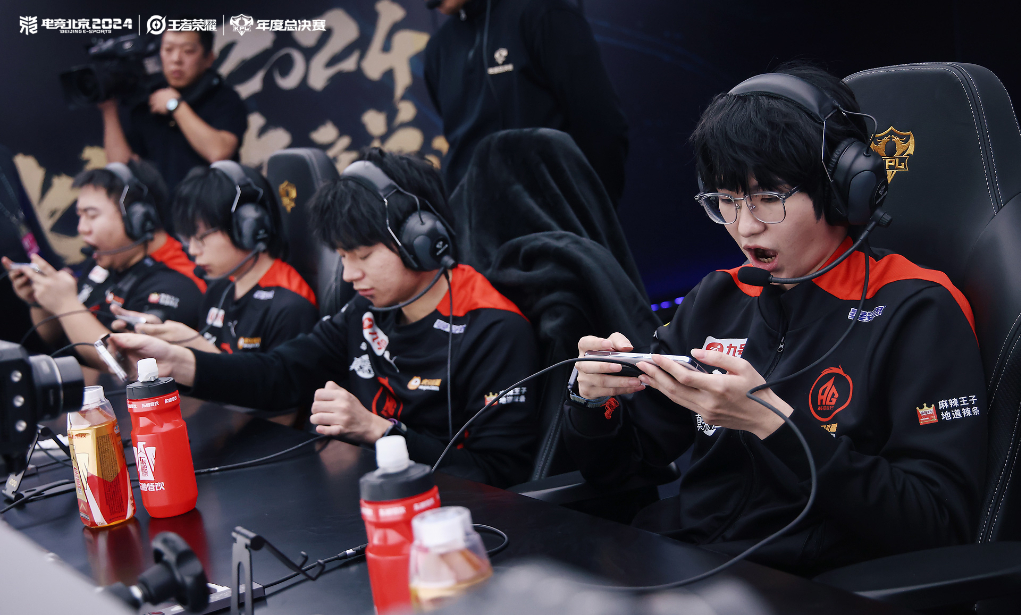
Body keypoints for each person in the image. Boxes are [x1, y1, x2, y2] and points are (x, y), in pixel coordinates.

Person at [562, 65, 987, 575]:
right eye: (727, 200)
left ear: (843, 190)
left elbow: (937, 525)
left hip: (821, 593)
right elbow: (622, 468)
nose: (745, 227)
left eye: (769, 199)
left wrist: (773, 424)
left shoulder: (917, 308)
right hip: (688, 567)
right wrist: (591, 401)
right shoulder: (719, 297)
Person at [111, 149, 539, 488]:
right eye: (343, 257)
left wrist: (378, 431)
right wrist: (181, 362)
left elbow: (499, 475)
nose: (349, 276)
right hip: (367, 496)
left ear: (422, 239)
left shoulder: (495, 330)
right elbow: (280, 372)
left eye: (363, 256)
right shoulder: (367, 310)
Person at [1, 160, 203, 369]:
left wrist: (65, 303)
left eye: (91, 215)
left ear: (138, 217)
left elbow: (127, 365)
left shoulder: (181, 280)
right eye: (80, 216)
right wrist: (41, 301)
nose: (81, 228)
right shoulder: (105, 260)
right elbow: (52, 335)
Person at [424, 0, 629, 206]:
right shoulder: (438, 49)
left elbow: (602, 127)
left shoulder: (543, 14)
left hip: (553, 218)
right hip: (473, 222)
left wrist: (591, 213)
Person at [111, 161, 319, 356]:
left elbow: (278, 383)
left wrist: (196, 348)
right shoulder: (219, 290)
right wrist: (163, 337)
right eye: (188, 239)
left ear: (248, 226)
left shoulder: (291, 306)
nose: (193, 250)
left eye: (201, 237)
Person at [99, 26, 248, 192]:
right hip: (161, 206)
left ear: (208, 59)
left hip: (212, 203)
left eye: (188, 51)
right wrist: (109, 110)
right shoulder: (145, 102)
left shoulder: (224, 98)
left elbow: (219, 153)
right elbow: (121, 169)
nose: (176, 59)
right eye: (168, 50)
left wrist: (175, 105)